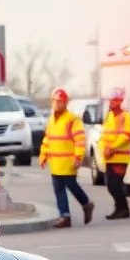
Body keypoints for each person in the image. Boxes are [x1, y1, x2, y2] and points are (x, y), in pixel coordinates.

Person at [39, 88, 95, 228]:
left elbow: (80, 140)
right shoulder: (51, 120)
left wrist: (78, 157)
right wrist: (43, 154)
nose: (57, 104)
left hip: (68, 162)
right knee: (59, 189)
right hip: (56, 163)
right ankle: (65, 216)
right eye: (55, 102)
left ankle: (86, 204)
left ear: (65, 103)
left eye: (60, 102)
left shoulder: (72, 120)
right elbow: (48, 139)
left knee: (72, 186)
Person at [100, 87, 130, 220]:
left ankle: (123, 209)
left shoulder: (125, 116)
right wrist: (104, 149)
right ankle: (120, 208)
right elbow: (104, 136)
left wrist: (112, 148)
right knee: (110, 185)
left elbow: (125, 135)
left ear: (120, 101)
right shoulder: (109, 116)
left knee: (115, 185)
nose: (112, 103)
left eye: (115, 100)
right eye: (111, 100)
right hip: (109, 157)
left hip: (120, 157)